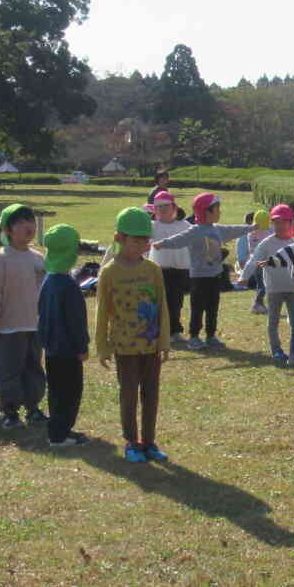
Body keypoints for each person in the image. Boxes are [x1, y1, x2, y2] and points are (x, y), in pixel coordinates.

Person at [96, 206, 168, 463]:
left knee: (151, 395)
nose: (141, 245)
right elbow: (103, 311)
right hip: (125, 347)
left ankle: (149, 441)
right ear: (119, 239)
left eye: (145, 240)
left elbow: (162, 306)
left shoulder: (152, 270)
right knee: (128, 395)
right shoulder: (109, 272)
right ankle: (132, 442)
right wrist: (103, 346)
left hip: (150, 346)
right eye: (135, 240)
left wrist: (164, 340)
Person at [0, 202, 46, 429]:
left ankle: (33, 408)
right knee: (9, 371)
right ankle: (9, 411)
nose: (28, 226)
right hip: (8, 328)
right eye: (20, 222)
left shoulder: (38, 258)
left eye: (30, 221)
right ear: (7, 230)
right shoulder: (0, 259)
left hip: (33, 326)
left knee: (34, 369)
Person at [38, 224, 90, 449]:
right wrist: (82, 347)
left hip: (51, 348)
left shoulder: (48, 279)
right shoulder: (68, 285)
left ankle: (57, 430)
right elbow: (76, 321)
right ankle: (60, 434)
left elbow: (40, 311)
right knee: (70, 393)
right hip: (68, 350)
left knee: (56, 391)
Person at [182, 193, 256, 348]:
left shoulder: (217, 229)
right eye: (217, 209)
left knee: (212, 307)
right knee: (197, 308)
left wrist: (252, 228)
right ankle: (194, 337)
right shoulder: (194, 230)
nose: (220, 212)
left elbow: (234, 230)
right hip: (198, 278)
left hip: (215, 275)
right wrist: (161, 244)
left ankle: (211, 336)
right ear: (206, 211)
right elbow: (178, 239)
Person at [239, 204, 294, 364]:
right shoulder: (266, 243)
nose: (280, 226)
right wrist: (244, 276)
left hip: (293, 289)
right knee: (273, 321)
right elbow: (254, 260)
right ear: (271, 224)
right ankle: (276, 350)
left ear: (290, 223)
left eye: (284, 222)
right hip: (274, 290)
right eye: (276, 222)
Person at [146, 190, 194, 344]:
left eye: (166, 207)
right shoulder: (152, 226)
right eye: (158, 207)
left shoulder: (184, 225)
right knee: (160, 302)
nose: (162, 210)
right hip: (159, 270)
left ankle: (174, 330)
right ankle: (159, 331)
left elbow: (194, 241)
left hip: (180, 270)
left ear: (174, 208)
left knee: (176, 302)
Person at [240, 208, 272, 314]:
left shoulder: (250, 233)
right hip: (263, 263)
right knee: (264, 285)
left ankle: (260, 304)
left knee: (259, 284)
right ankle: (257, 304)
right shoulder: (267, 234)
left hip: (253, 262)